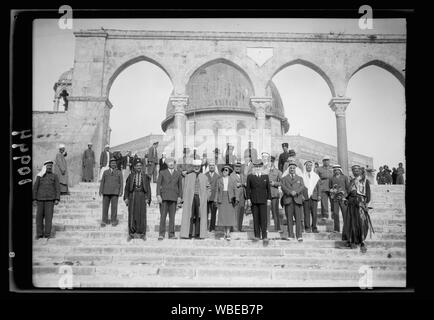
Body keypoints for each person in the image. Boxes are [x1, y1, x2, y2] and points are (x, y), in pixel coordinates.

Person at [180, 159, 211, 239]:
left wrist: (207, 197)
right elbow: (184, 187)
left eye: (198, 166)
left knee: (199, 215)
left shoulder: (204, 177)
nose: (196, 168)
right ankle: (188, 233)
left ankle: (198, 233)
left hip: (200, 198)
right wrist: (183, 198)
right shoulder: (188, 176)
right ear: (193, 167)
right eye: (195, 166)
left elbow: (208, 187)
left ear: (200, 167)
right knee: (189, 215)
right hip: (190, 198)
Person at [345, 165, 373, 253]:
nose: (355, 172)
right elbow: (348, 193)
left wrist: (366, 204)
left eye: (357, 170)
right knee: (352, 222)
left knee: (361, 222)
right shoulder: (351, 181)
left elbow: (368, 194)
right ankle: (353, 240)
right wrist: (346, 199)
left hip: (360, 203)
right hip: (352, 203)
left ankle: (362, 241)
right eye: (353, 170)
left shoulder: (365, 180)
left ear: (360, 171)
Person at [124, 159, 152, 241]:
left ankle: (142, 233)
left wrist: (148, 198)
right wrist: (126, 198)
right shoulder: (131, 176)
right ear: (134, 167)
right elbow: (126, 188)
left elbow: (148, 189)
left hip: (142, 196)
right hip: (133, 196)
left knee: (142, 215)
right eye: (137, 166)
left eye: (140, 165)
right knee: (132, 214)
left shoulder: (145, 176)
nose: (139, 167)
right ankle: (131, 233)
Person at [246, 159, 272, 243]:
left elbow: (268, 189)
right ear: (253, 167)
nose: (257, 168)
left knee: (263, 219)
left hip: (263, 200)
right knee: (256, 218)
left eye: (259, 166)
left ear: (261, 167)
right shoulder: (250, 176)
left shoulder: (265, 176)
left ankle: (264, 236)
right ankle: (257, 235)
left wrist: (269, 199)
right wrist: (248, 199)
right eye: (256, 166)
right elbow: (248, 189)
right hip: (254, 200)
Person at [156, 158, 183, 240]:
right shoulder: (162, 172)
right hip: (164, 197)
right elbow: (158, 184)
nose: (171, 164)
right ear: (167, 164)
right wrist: (158, 195)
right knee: (163, 216)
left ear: (174, 164)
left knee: (172, 217)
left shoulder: (178, 174)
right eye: (169, 162)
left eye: (173, 163)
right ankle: (161, 234)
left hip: (174, 197)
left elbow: (180, 187)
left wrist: (179, 197)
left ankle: (171, 234)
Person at [33, 160, 60, 239]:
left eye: (51, 166)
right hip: (40, 199)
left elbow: (57, 188)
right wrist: (34, 199)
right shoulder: (39, 176)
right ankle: (39, 234)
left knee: (49, 218)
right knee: (39, 218)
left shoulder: (55, 176)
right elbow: (35, 188)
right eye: (48, 166)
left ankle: (47, 234)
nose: (49, 167)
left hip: (50, 200)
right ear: (44, 167)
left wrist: (57, 198)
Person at [281, 160, 305, 242]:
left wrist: (296, 192)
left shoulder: (300, 178)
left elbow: (302, 186)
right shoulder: (284, 178)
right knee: (289, 219)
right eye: (290, 168)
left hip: (297, 200)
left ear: (295, 169)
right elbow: (283, 187)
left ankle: (299, 236)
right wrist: (290, 192)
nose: (292, 169)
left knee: (298, 219)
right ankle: (290, 235)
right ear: (288, 169)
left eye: (293, 168)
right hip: (288, 200)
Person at [215, 165, 238, 240]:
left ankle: (228, 233)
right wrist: (216, 200)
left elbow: (235, 189)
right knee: (223, 216)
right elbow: (217, 191)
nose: (224, 171)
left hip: (230, 199)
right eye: (223, 170)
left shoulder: (232, 180)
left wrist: (237, 198)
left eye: (226, 170)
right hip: (222, 198)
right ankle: (224, 233)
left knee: (229, 216)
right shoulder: (219, 180)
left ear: (229, 172)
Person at [99, 158, 123, 227]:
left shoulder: (119, 172)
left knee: (114, 207)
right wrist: (100, 190)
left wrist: (121, 191)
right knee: (105, 207)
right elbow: (102, 182)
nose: (113, 164)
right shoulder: (105, 172)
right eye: (112, 163)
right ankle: (104, 220)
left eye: (114, 163)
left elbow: (121, 182)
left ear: (116, 164)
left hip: (115, 192)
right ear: (109, 164)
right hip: (106, 191)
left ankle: (113, 220)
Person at [329, 164, 350, 238]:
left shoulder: (344, 177)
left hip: (343, 198)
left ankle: (346, 228)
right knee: (335, 213)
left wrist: (347, 197)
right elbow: (330, 188)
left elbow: (347, 187)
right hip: (335, 198)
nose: (336, 171)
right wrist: (332, 193)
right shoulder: (331, 178)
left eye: (337, 170)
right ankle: (336, 229)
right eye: (335, 170)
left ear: (340, 170)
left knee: (345, 213)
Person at [301, 160, 320, 233]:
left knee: (314, 214)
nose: (308, 166)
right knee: (306, 213)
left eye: (310, 165)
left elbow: (319, 187)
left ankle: (314, 228)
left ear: (312, 167)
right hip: (306, 197)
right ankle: (307, 228)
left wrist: (319, 195)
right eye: (307, 165)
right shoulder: (302, 176)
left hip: (314, 197)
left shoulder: (316, 176)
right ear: (305, 167)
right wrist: (302, 195)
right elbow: (301, 187)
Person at [230, 161, 247, 232]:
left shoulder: (243, 175)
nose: (237, 168)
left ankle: (240, 227)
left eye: (239, 167)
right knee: (235, 212)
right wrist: (237, 184)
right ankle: (234, 228)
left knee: (241, 212)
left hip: (243, 196)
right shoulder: (231, 175)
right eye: (236, 166)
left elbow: (246, 184)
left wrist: (244, 184)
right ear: (234, 167)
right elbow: (231, 185)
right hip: (235, 196)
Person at [268, 156, 283, 233]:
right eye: (269, 161)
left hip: (274, 193)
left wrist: (275, 183)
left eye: (271, 161)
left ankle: (277, 228)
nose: (270, 163)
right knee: (266, 212)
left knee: (275, 211)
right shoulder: (264, 171)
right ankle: (266, 228)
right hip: (266, 194)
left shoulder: (278, 172)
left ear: (273, 162)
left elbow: (282, 182)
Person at [316, 155, 333, 220]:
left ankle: (333, 215)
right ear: (323, 161)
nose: (326, 162)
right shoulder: (319, 169)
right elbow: (316, 179)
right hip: (323, 187)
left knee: (333, 202)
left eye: (327, 160)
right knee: (324, 203)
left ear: (329, 161)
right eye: (325, 160)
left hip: (332, 188)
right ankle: (325, 216)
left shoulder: (332, 168)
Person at [205, 160, 219, 232]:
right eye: (210, 166)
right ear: (208, 167)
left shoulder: (218, 176)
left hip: (214, 197)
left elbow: (218, 188)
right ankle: (205, 227)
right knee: (205, 213)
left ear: (215, 167)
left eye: (213, 166)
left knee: (213, 214)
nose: (211, 167)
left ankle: (212, 228)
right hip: (206, 197)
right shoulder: (205, 175)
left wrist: (216, 198)